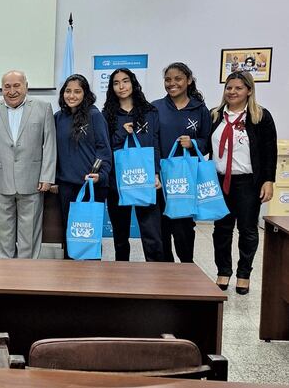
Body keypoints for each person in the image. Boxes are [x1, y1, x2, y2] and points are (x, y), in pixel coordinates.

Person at [210, 71, 277, 295]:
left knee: (247, 229)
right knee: (221, 229)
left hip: (248, 182)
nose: (232, 92)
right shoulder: (215, 115)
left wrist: (268, 180)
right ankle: (223, 271)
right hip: (220, 181)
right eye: (229, 88)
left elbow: (270, 151)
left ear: (249, 90)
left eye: (238, 88)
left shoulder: (260, 116)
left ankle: (244, 274)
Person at [0, 70, 56, 259]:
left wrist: (47, 176)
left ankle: (27, 274)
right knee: (3, 233)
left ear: (26, 86)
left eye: (17, 85)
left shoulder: (43, 108)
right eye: (7, 87)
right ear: (2, 89)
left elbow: (49, 145)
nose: (12, 91)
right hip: (1, 182)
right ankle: (6, 272)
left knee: (29, 233)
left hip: (32, 182)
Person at [152, 62, 212, 263]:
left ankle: (187, 266)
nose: (172, 83)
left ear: (188, 80)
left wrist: (193, 143)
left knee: (183, 225)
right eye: (168, 80)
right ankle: (164, 270)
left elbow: (207, 142)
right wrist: (155, 171)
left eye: (177, 79)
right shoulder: (155, 108)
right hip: (161, 176)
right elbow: (152, 141)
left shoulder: (200, 109)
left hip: (186, 176)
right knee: (161, 223)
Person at [102, 68, 163, 262]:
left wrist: (155, 173)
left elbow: (155, 143)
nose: (121, 86)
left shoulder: (150, 112)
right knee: (120, 236)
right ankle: (122, 274)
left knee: (152, 235)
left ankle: (155, 275)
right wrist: (121, 132)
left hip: (145, 179)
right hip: (117, 182)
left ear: (133, 83)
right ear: (111, 88)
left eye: (125, 81)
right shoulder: (106, 115)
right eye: (116, 83)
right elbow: (104, 148)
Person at [55, 74, 111, 259]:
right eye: (68, 91)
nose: (72, 95)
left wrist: (101, 175)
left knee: (89, 236)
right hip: (66, 185)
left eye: (77, 91)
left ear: (85, 94)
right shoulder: (58, 118)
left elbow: (103, 148)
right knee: (71, 235)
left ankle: (91, 279)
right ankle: (70, 279)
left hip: (90, 185)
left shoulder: (94, 115)